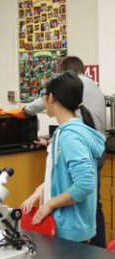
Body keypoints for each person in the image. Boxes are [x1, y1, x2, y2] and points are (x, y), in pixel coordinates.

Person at [14, 56, 107, 247]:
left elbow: (83, 185)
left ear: (52, 98)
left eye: (44, 95)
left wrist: (49, 204)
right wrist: (41, 190)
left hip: (71, 231)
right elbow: (61, 174)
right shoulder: (64, 133)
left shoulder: (70, 136)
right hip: (66, 227)